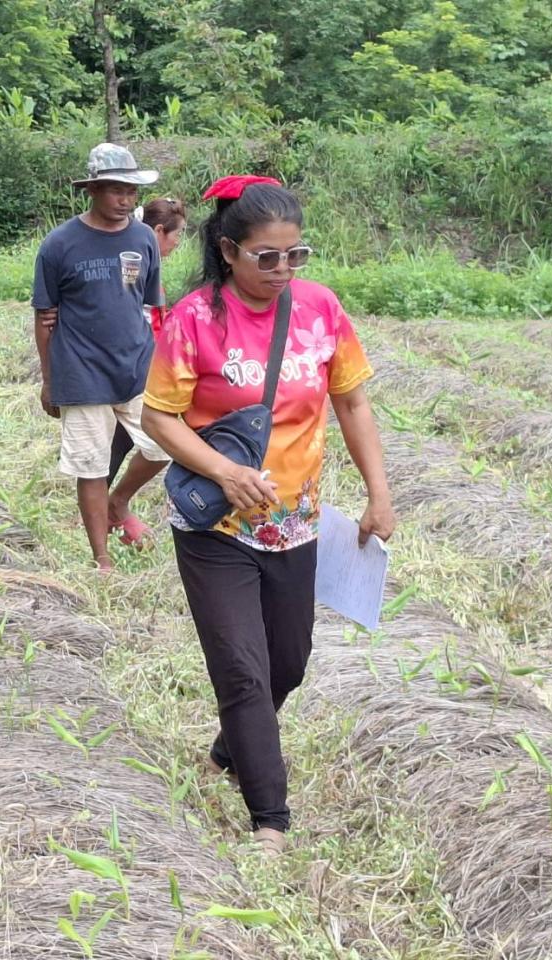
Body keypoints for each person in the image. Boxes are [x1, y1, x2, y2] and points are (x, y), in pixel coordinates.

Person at [141, 176, 395, 855]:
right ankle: (269, 819)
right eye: (267, 257)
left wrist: (379, 492)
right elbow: (158, 417)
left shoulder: (320, 311)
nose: (283, 270)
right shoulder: (195, 318)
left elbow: (353, 404)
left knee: (290, 661)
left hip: (295, 522)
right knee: (243, 669)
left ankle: (231, 747)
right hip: (215, 526)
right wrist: (225, 470)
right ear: (229, 251)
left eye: (295, 255)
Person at [32, 143, 171, 570]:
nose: (125, 199)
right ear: (92, 191)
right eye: (115, 190)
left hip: (136, 366)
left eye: (130, 191)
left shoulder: (144, 236)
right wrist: (50, 380)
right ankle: (102, 559)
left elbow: (150, 306)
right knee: (90, 465)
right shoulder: (59, 245)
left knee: (163, 447)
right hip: (81, 372)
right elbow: (45, 316)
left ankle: (120, 502)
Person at [107, 196, 188, 484]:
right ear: (157, 232)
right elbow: (131, 315)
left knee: (122, 438)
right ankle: (108, 505)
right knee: (145, 441)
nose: (178, 241)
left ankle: (104, 505)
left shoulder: (145, 264)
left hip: (140, 364)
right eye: (177, 233)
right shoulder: (133, 266)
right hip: (134, 365)